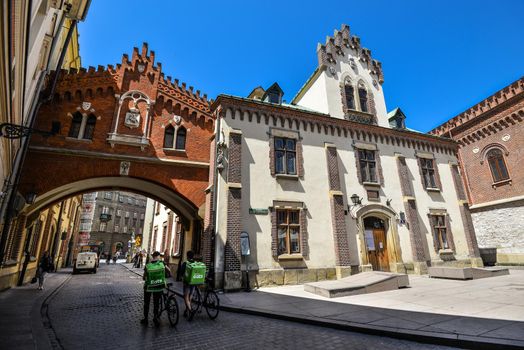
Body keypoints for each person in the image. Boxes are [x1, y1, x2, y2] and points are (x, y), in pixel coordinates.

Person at [141, 251, 170, 327]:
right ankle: (155, 318)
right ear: (158, 256)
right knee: (156, 303)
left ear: (153, 257)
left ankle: (146, 319)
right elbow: (169, 271)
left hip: (148, 287)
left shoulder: (148, 265)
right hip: (158, 286)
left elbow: (144, 277)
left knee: (146, 303)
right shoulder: (162, 264)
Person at [179, 250, 195, 318]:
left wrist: (181, 277)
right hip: (193, 282)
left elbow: (181, 273)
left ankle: (190, 311)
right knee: (190, 296)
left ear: (187, 256)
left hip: (187, 283)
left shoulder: (185, 263)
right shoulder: (195, 263)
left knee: (186, 297)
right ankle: (187, 310)